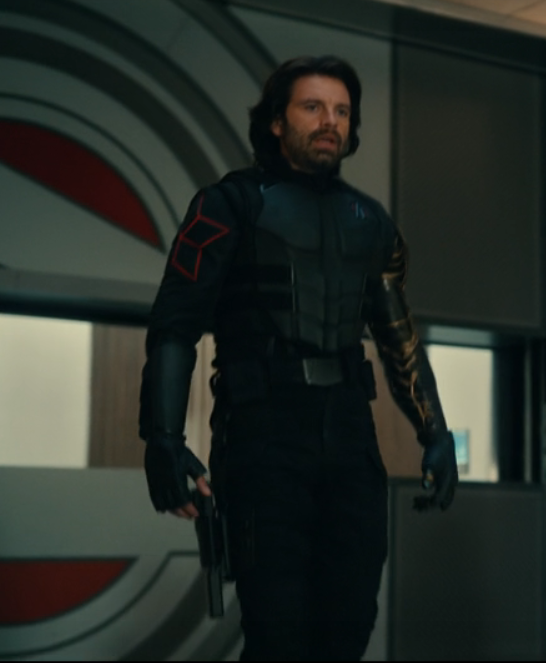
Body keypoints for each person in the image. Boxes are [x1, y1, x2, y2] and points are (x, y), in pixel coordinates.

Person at [137, 55, 458, 660]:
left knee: (348, 629)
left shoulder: (371, 222)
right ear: (277, 121)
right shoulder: (227, 204)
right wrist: (162, 438)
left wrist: (436, 432)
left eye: (341, 111)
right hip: (262, 436)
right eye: (313, 107)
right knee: (278, 636)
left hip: (350, 437)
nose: (330, 121)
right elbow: (174, 326)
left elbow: (400, 338)